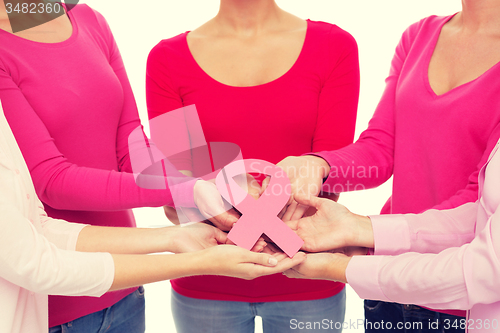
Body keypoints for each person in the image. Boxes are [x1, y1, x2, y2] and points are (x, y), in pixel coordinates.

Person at [0, 2, 245, 332]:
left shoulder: (89, 20)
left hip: (127, 289)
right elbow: (52, 181)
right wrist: (186, 189)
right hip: (57, 304)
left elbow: (133, 149)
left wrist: (208, 189)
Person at [275, 0, 500, 330]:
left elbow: (480, 200)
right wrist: (317, 164)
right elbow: (380, 149)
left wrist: (369, 234)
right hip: (382, 281)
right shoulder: (419, 35)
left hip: (454, 293)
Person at [0, 99, 305, 333]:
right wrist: (195, 251)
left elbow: (37, 230)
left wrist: (174, 235)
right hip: (48, 309)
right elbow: (36, 261)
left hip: (121, 299)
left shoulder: (89, 23)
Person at [146, 0, 359, 331]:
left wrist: (251, 212)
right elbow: (174, 197)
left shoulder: (333, 47)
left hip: (307, 277)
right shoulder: (167, 60)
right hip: (207, 281)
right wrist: (235, 211)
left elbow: (332, 177)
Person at [283, 138, 500, 333]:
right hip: (394, 281)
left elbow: (482, 271)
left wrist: (339, 267)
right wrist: (360, 229)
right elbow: (481, 214)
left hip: (446, 300)